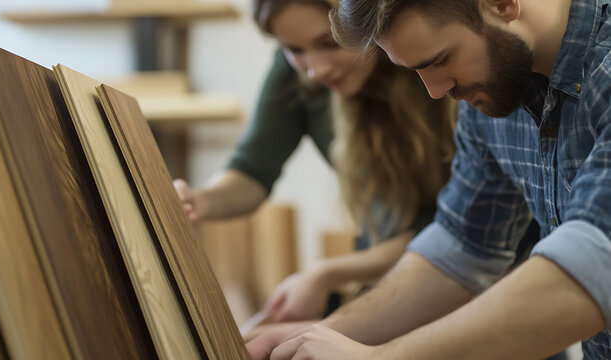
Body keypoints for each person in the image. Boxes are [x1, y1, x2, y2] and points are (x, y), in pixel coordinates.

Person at [246, 0, 611, 359]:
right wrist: (324, 333)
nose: (435, 90)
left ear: (501, 5)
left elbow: (594, 262)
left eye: (440, 60)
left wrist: (380, 357)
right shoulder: (494, 85)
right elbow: (462, 247)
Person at [174, 0, 456, 323]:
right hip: (387, 264)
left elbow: (455, 229)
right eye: (294, 49)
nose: (315, 69)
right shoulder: (296, 75)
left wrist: (327, 274)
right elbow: (252, 168)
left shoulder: (426, 70)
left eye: (330, 42)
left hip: (463, 273)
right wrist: (200, 201)